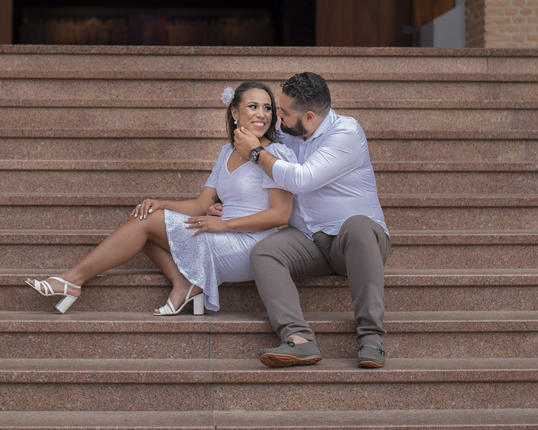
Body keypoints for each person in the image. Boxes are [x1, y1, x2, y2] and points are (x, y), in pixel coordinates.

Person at [26, 81, 294, 316]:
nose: (262, 114)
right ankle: (183, 282)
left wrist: (225, 225)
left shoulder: (276, 155)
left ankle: (73, 280)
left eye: (268, 108)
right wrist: (162, 204)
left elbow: (280, 215)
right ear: (235, 112)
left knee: (146, 224)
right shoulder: (227, 152)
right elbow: (201, 205)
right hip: (219, 231)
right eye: (253, 106)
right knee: (145, 215)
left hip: (250, 246)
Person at [232, 71, 390, 369]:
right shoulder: (288, 134)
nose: (277, 115)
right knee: (264, 252)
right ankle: (298, 339)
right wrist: (223, 207)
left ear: (308, 117)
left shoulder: (345, 133)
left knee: (357, 225)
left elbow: (302, 180)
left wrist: (255, 152)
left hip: (354, 243)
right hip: (308, 240)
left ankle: (372, 337)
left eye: (284, 112)